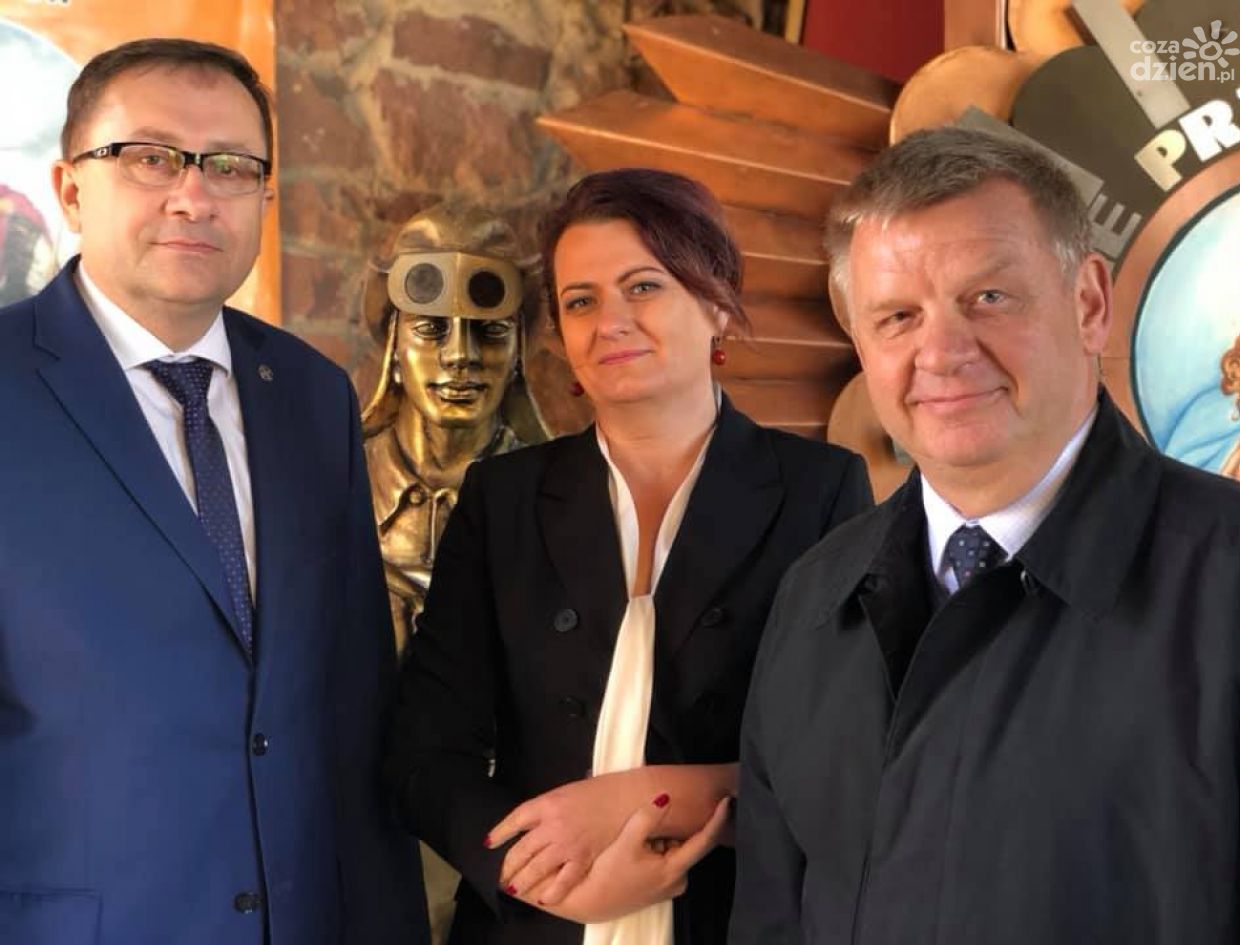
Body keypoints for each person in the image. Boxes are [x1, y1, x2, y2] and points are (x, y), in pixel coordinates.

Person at [731, 127, 1240, 944]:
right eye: (897, 316)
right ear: (861, 343)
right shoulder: (812, 597)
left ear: (1089, 304)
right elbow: (770, 919)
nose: (941, 353)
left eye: (988, 298)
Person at [0, 38, 426, 945]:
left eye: (230, 166)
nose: (193, 196)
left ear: (265, 197)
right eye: (150, 158)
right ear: (70, 189)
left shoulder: (313, 396)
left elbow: (352, 709)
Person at [385, 167, 872, 945]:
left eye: (643, 287)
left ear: (717, 303)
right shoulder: (503, 498)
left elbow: (847, 755)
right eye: (581, 301)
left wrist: (645, 798)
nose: (610, 322)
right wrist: (534, 876)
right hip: (529, 924)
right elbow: (422, 752)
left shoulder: (821, 490)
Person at [360, 204, 548, 653]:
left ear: (518, 352)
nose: (460, 355)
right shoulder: (337, 483)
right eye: (431, 329)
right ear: (394, 347)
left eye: (491, 331)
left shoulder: (552, 497)